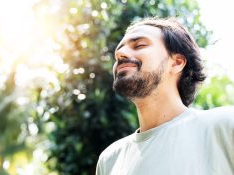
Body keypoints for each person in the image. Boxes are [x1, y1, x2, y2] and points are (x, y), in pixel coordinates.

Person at [95, 17, 234, 175]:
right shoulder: (109, 159)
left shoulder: (225, 125)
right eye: (118, 52)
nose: (120, 53)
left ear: (177, 63)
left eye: (139, 45)